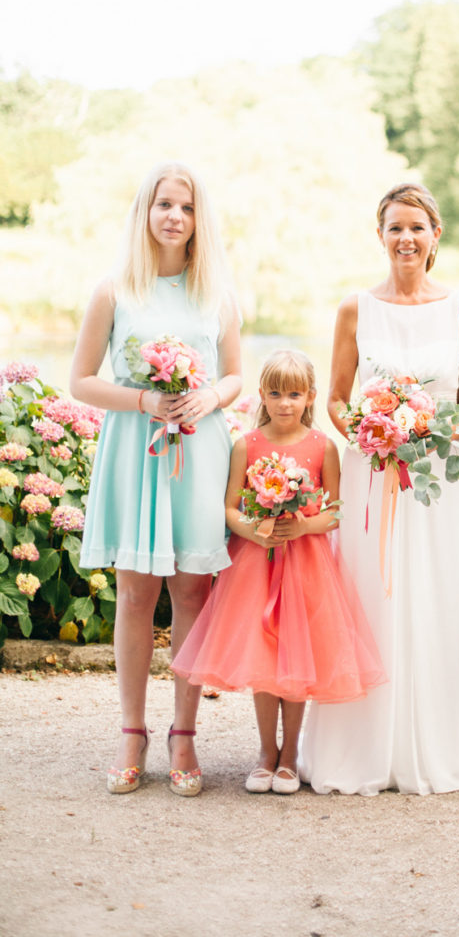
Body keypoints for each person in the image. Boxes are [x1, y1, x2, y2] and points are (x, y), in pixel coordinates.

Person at [299, 182, 459, 795]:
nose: (406, 239)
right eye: (394, 228)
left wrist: (428, 430)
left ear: (437, 235)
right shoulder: (355, 309)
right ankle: (355, 749)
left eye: (417, 228)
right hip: (373, 473)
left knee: (432, 600)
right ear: (379, 235)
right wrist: (372, 432)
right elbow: (333, 397)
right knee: (367, 599)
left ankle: (426, 748)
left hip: (437, 475)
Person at [72, 161, 242, 797]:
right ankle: (132, 731)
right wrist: (144, 402)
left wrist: (208, 399)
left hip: (198, 452)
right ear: (146, 211)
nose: (175, 216)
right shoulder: (114, 290)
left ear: (201, 221)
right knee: (136, 594)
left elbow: (234, 376)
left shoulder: (216, 294)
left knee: (192, 593)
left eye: (187, 208)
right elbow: (81, 381)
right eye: (165, 204)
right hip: (134, 450)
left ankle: (185, 733)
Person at [172, 349, 385, 794]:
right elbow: (230, 507)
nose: (284, 403)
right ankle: (266, 751)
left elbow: (336, 510)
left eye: (294, 394)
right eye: (275, 393)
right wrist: (253, 530)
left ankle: (291, 756)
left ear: (310, 396)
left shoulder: (322, 446)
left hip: (307, 565)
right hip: (255, 564)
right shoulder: (246, 445)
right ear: (262, 397)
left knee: (299, 657)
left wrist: (304, 524)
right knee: (263, 659)